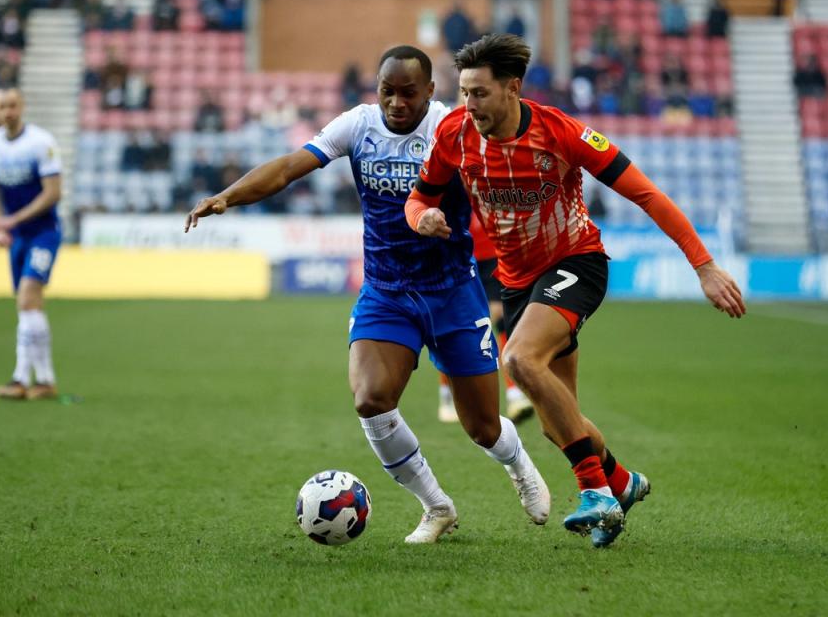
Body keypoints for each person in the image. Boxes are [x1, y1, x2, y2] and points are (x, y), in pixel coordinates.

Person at [185, 45, 550, 544]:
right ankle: (436, 506)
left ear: (429, 92)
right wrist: (230, 195)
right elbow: (292, 166)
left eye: (407, 93)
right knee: (371, 400)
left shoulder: (455, 126)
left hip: (452, 291)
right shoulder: (358, 125)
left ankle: (520, 466)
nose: (396, 103)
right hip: (387, 291)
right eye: (387, 91)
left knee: (483, 426)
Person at [407, 34, 745, 548]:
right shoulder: (455, 134)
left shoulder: (560, 132)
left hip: (575, 262)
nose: (468, 104)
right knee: (556, 421)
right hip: (517, 280)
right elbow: (419, 197)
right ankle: (621, 481)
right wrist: (422, 217)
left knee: (518, 359)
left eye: (479, 93)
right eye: (464, 92)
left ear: (512, 88)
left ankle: (596, 493)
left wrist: (704, 265)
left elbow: (646, 194)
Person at [0, 87, 62, 401]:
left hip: (44, 232)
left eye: (13, 105)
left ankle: (19, 379)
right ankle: (45, 381)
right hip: (17, 237)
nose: (8, 111)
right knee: (30, 307)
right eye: (2, 107)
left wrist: (12, 220)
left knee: (27, 299)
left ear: (22, 106)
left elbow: (53, 193)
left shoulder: (41, 143)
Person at [437, 212, 534, 425]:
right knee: (456, 327)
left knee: (500, 319)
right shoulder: (445, 181)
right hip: (458, 256)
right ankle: (446, 395)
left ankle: (514, 395)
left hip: (491, 255)